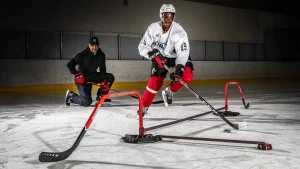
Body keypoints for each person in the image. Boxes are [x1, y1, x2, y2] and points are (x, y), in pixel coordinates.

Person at [138, 4, 194, 116]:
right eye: (165, 16)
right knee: (154, 82)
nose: (168, 19)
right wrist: (151, 53)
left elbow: (183, 52)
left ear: (174, 17)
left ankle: (170, 90)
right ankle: (144, 106)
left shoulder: (179, 31)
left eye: (170, 16)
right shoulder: (152, 28)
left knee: (186, 76)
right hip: (160, 56)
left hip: (177, 57)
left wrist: (179, 67)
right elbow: (142, 47)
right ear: (161, 16)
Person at [65, 36, 115, 107]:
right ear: (89, 45)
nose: (94, 48)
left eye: (96, 46)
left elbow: (103, 70)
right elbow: (70, 65)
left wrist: (104, 81)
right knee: (87, 102)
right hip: (83, 80)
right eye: (92, 46)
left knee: (110, 77)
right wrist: (77, 74)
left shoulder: (101, 55)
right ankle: (71, 96)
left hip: (93, 76)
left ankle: (101, 95)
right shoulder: (82, 55)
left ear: (98, 46)